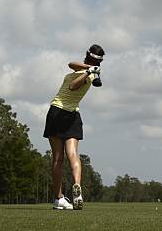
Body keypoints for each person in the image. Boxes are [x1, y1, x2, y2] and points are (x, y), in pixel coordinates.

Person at [43, 44, 105, 210]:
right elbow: (71, 64)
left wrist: (89, 71)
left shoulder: (89, 75)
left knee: (58, 158)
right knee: (72, 153)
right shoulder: (88, 71)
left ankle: (59, 198)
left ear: (87, 55)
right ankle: (76, 185)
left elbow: (73, 86)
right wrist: (90, 68)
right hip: (71, 115)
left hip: (58, 111)